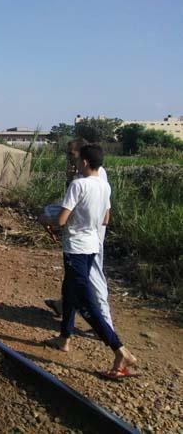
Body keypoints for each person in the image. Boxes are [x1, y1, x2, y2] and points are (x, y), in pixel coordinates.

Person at [45, 144, 138, 379]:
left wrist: (45, 221)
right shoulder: (104, 186)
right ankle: (64, 338)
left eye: (76, 160)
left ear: (85, 162)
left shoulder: (78, 185)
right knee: (69, 290)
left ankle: (119, 349)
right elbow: (105, 218)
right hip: (92, 247)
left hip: (75, 249)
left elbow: (62, 220)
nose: (74, 164)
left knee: (85, 303)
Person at [43, 139, 112, 327]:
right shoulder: (80, 175)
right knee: (74, 276)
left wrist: (55, 222)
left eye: (72, 155)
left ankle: (106, 324)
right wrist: (70, 177)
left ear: (84, 158)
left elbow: (103, 211)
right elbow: (72, 201)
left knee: (93, 275)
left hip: (88, 235)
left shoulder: (96, 176)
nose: (69, 159)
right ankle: (63, 305)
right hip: (84, 232)